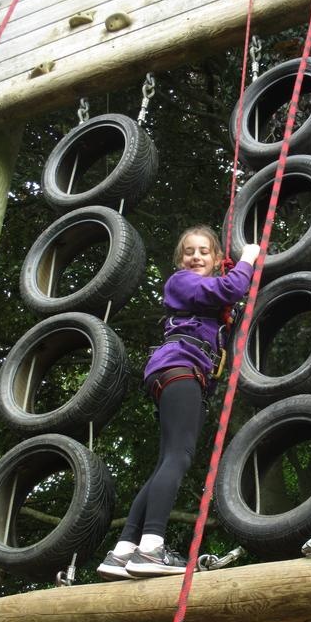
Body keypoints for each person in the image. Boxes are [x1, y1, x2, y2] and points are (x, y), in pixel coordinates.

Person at [97, 225, 260, 579]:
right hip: (181, 368)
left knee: (165, 463)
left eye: (204, 251)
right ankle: (152, 547)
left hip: (179, 374)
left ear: (216, 259)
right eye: (189, 251)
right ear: (180, 259)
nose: (196, 257)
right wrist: (248, 258)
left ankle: (123, 550)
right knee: (179, 458)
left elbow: (229, 303)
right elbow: (230, 288)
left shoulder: (207, 301)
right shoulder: (181, 282)